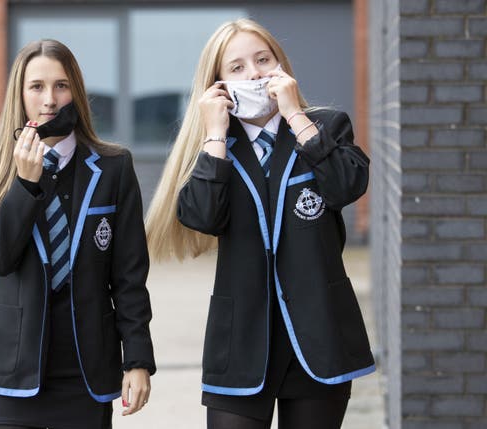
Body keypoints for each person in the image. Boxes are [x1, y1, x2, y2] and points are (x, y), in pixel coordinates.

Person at [145, 19, 375, 429]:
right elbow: (201, 218)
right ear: (217, 85)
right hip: (241, 341)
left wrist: (295, 116)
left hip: (319, 332)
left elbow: (347, 186)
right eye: (236, 68)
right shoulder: (217, 147)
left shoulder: (325, 125)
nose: (253, 74)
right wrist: (214, 133)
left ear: (281, 66)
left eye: (262, 60)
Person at [0, 39, 155, 429]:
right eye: (36, 86)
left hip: (87, 370)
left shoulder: (114, 167)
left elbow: (129, 274)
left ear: (76, 92)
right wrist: (25, 184)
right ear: (20, 93)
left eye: (61, 86)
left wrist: (137, 360)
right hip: (13, 370)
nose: (49, 99)